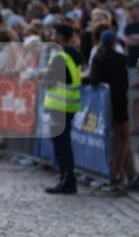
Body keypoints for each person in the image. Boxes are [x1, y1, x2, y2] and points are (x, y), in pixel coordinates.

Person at [40, 22, 81, 195]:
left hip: (60, 105)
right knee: (64, 144)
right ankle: (66, 178)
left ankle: (67, 180)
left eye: (54, 33)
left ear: (61, 36)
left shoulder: (60, 56)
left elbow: (51, 81)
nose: (51, 35)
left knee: (61, 145)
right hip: (69, 105)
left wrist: (45, 77)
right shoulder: (73, 54)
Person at [89, 29, 130, 189]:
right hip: (120, 102)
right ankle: (118, 173)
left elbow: (94, 81)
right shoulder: (121, 59)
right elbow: (125, 82)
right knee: (123, 138)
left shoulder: (98, 59)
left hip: (105, 104)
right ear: (114, 43)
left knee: (111, 139)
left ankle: (112, 173)